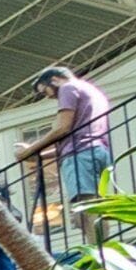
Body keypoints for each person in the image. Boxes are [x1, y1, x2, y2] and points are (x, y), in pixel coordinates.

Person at [21, 64, 114, 246]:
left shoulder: (68, 87)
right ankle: (101, 247)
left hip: (81, 156)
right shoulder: (93, 92)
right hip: (96, 151)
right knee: (89, 208)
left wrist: (31, 149)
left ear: (55, 80)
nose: (50, 96)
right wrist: (38, 156)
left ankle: (100, 252)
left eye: (46, 91)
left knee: (87, 208)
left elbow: (63, 128)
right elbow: (75, 137)